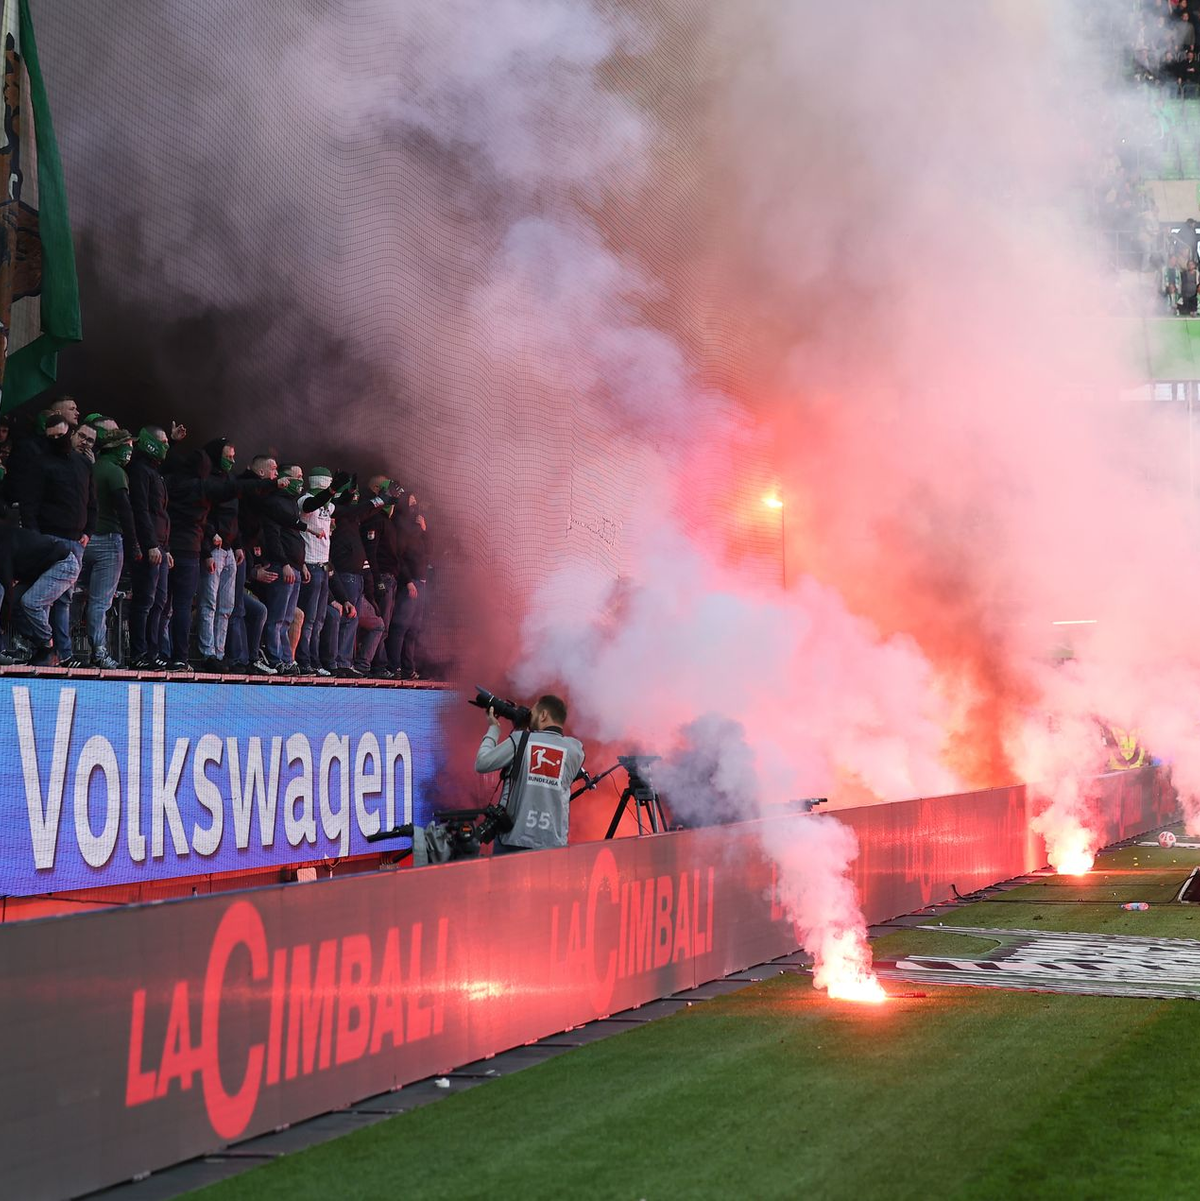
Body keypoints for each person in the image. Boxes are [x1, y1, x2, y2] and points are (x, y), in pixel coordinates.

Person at [12, 411, 96, 665]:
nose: (58, 440)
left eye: (61, 435)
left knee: (64, 600)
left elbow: (92, 502)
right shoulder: (41, 464)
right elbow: (29, 506)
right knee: (44, 599)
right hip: (49, 540)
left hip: (76, 540)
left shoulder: (83, 464)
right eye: (52, 437)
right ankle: (51, 651)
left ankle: (62, 654)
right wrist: (36, 540)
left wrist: (88, 532)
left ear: (70, 433)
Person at [474, 695, 584, 853]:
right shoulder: (575, 751)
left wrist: (494, 728)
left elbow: (482, 763)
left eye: (533, 713)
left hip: (513, 840)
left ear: (543, 715)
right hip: (553, 844)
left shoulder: (520, 740)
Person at [78, 427, 138, 668]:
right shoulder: (115, 472)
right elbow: (125, 511)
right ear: (117, 447)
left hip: (84, 538)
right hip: (109, 542)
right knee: (100, 602)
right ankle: (99, 653)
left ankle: (63, 650)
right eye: (128, 445)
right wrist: (134, 544)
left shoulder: (91, 467)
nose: (130, 450)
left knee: (69, 596)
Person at [0, 520, 81, 665]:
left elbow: (7, 588)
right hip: (39, 569)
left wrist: (2, 626)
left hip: (63, 563)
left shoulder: (3, 542)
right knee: (16, 604)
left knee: (31, 602)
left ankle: (47, 645)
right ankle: (41, 645)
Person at [127, 426, 172, 667]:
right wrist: (151, 544)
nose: (166, 446)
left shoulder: (155, 472)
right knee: (145, 600)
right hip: (149, 547)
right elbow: (141, 510)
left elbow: (160, 513)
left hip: (160, 547)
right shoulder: (140, 470)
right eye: (163, 441)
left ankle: (153, 654)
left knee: (159, 602)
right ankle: (139, 654)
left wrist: (166, 547)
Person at [195, 437, 241, 671]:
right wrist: (209, 543)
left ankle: (220, 654)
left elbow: (235, 517)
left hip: (230, 550)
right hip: (213, 549)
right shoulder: (207, 480)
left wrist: (238, 544)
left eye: (233, 456)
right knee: (209, 603)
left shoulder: (231, 480)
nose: (232, 460)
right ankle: (207, 653)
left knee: (226, 607)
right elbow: (203, 514)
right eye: (228, 456)